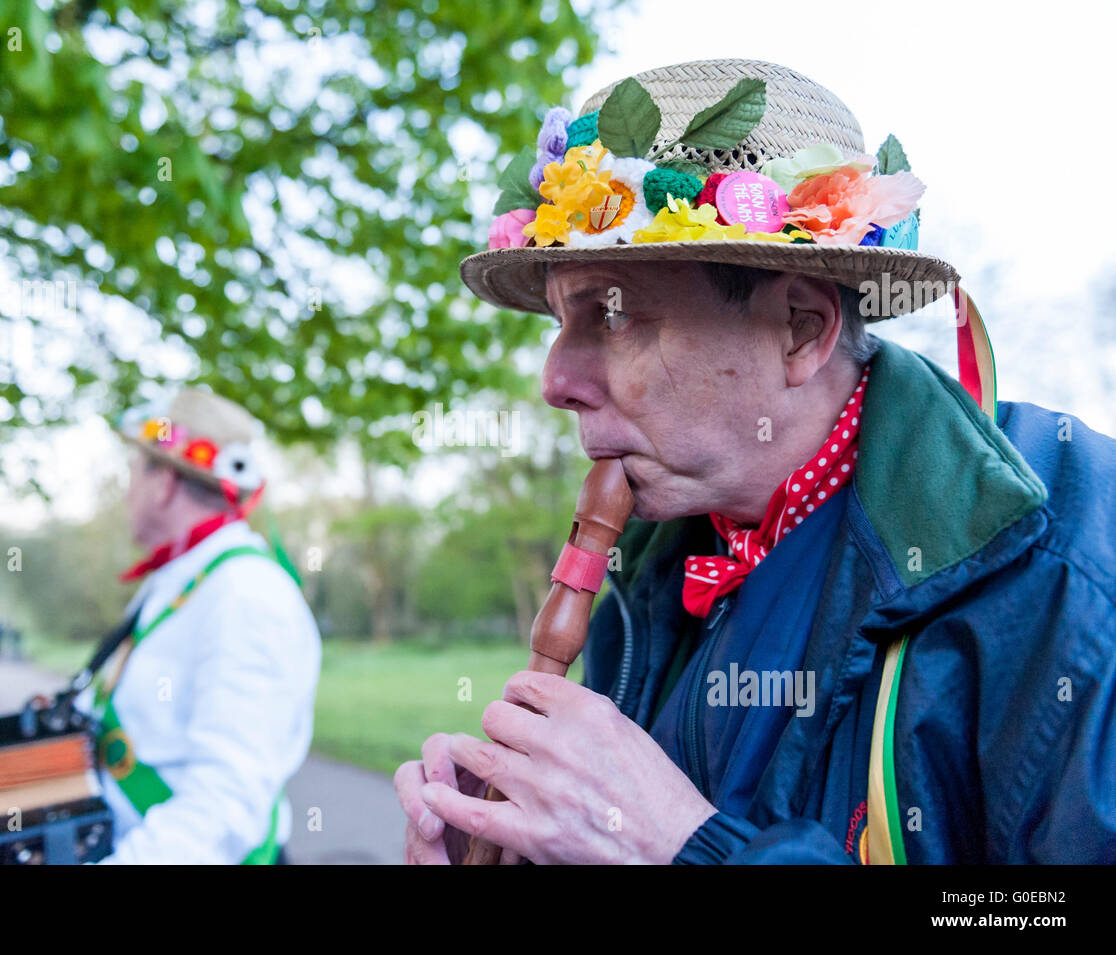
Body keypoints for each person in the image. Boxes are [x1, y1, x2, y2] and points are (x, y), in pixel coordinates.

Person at [396, 58, 1116, 864]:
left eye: (613, 314)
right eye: (562, 324)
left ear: (802, 329)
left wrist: (681, 846)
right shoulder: (657, 564)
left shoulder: (1072, 569)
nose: (556, 380)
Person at [80, 388, 320, 864]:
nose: (127, 492)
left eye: (133, 473)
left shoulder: (246, 594)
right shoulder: (186, 580)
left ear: (164, 482)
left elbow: (224, 807)